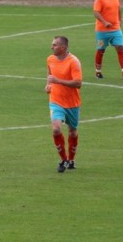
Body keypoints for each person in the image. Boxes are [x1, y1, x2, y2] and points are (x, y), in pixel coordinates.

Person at [45, 36, 82, 173]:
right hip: (56, 100)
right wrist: (48, 84)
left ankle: (71, 160)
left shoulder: (73, 62)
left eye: (54, 45)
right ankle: (64, 159)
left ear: (63, 47)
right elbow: (50, 73)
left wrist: (58, 81)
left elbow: (78, 83)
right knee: (56, 129)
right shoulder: (50, 59)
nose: (51, 47)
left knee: (72, 131)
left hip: (72, 103)